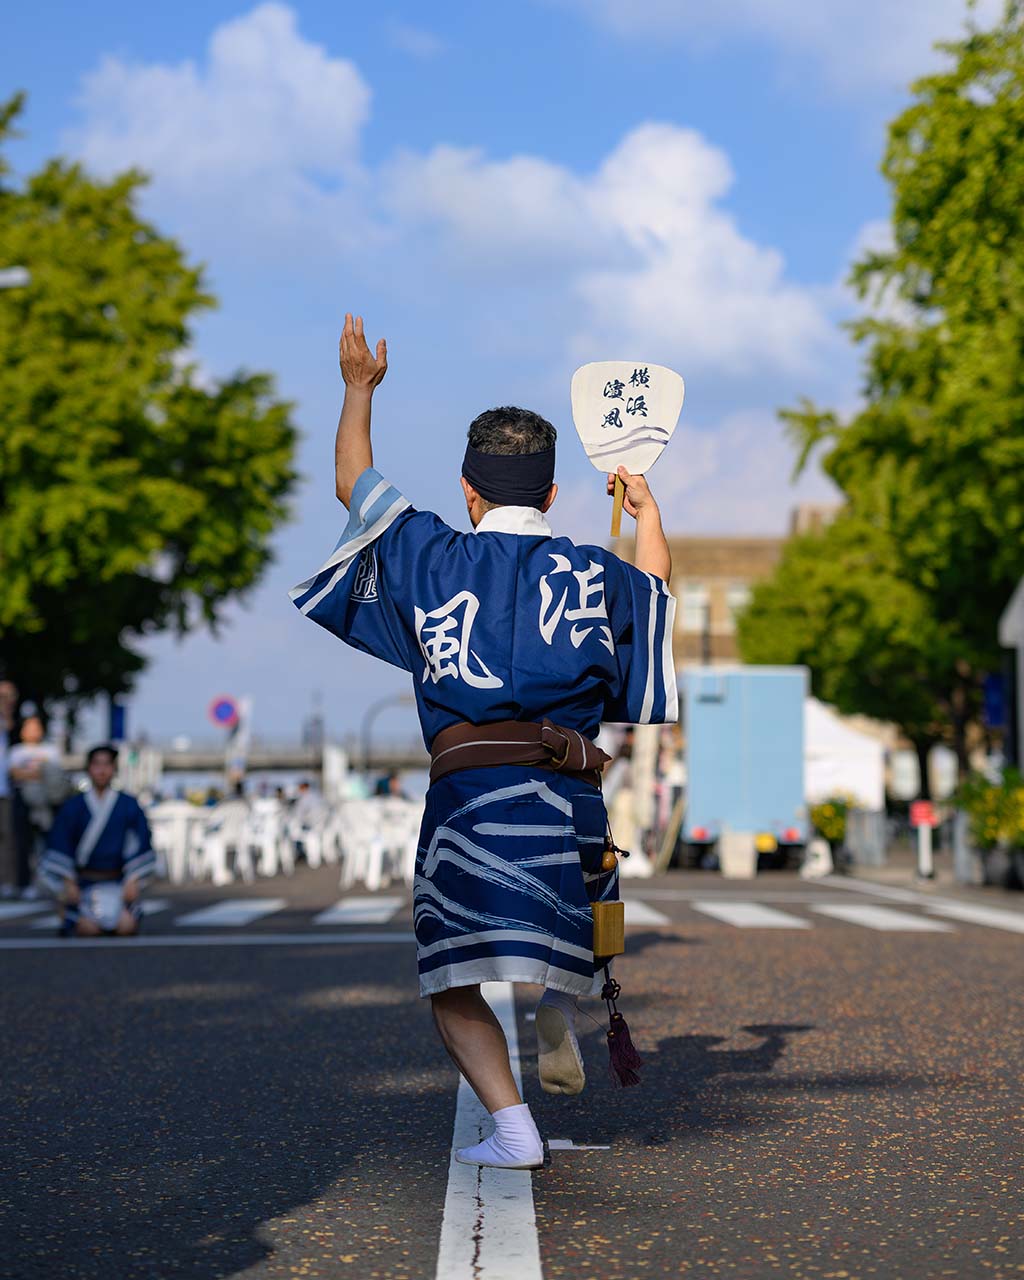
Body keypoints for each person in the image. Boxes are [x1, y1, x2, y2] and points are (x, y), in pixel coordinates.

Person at [291, 315, 676, 1170]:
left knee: (452, 977)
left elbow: (354, 478)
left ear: (469, 490)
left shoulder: (430, 553)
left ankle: (513, 1129)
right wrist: (646, 510)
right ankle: (551, 995)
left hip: (469, 807)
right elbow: (654, 595)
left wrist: (358, 387)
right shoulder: (590, 571)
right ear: (548, 496)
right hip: (569, 808)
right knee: (560, 935)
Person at [39, 744, 156, 937]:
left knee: (126, 927)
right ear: (88, 769)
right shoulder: (73, 806)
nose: (101, 770)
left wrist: (133, 880)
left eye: (107, 765)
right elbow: (60, 843)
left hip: (118, 881)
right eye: (96, 765)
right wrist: (68, 882)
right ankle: (67, 911)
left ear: (114, 769)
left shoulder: (128, 805)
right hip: (83, 882)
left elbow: (141, 842)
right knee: (88, 930)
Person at [8, 711, 65, 898]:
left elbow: (54, 775)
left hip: (46, 801)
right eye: (29, 726)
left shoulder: (51, 750)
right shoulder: (16, 750)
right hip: (23, 800)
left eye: (37, 726)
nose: (33, 730)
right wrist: (37, 774)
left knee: (50, 841)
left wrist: (30, 774)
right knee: (23, 843)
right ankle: (24, 883)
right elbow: (15, 773)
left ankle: (52, 878)